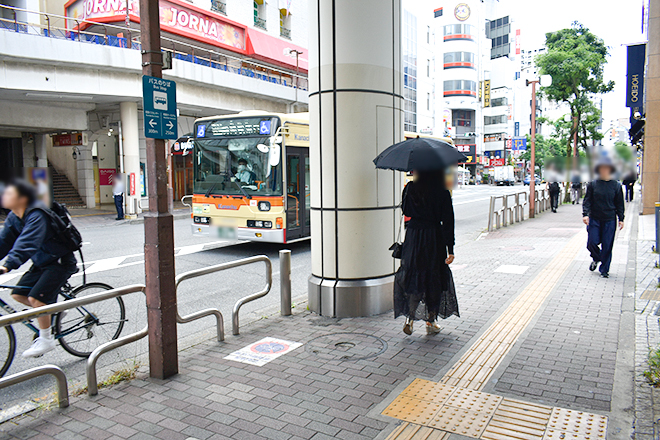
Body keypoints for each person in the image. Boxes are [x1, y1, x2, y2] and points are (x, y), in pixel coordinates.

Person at [0, 179, 78, 358]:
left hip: (59, 261)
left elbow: (27, 242)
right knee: (18, 294)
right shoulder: (14, 216)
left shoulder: (37, 214)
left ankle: (46, 340)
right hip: (43, 261)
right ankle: (54, 309)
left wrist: (7, 265)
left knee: (36, 299)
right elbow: (4, 242)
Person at [393, 170, 458, 335]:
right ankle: (430, 321)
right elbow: (448, 220)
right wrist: (450, 248)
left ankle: (410, 318)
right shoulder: (441, 191)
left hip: (414, 237)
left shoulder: (410, 188)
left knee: (414, 275)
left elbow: (405, 210)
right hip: (433, 237)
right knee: (433, 278)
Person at [582, 157, 625, 278]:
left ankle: (604, 269)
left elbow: (619, 204)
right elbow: (587, 201)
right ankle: (597, 257)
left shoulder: (616, 186)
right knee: (592, 243)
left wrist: (621, 218)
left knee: (607, 245)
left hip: (610, 219)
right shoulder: (593, 184)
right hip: (595, 218)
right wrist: (585, 214)